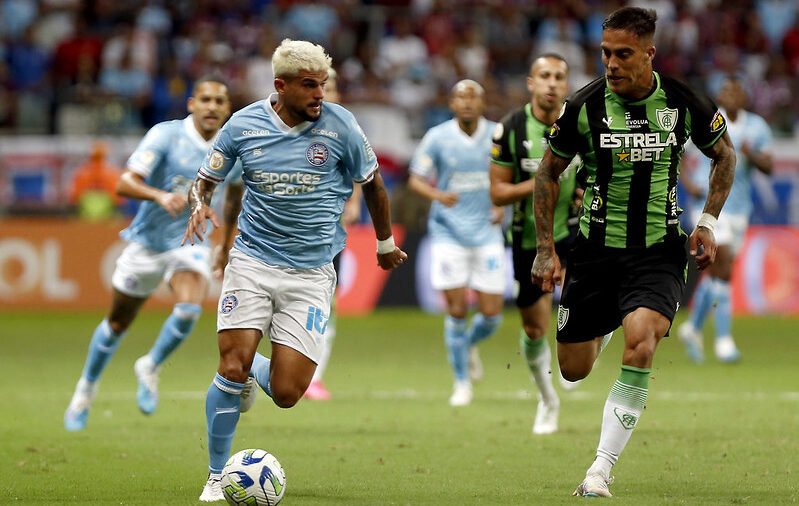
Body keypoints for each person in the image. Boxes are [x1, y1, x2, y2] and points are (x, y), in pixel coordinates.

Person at [182, 39, 407, 502]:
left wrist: (384, 243)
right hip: (252, 261)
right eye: (309, 85)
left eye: (322, 84)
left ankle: (251, 370)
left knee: (286, 392)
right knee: (230, 363)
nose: (320, 94)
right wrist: (198, 204)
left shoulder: (342, 126)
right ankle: (216, 476)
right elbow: (205, 180)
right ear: (280, 86)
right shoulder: (244, 124)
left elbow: (373, 185)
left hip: (310, 273)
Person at [531, 7, 736, 497]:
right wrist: (545, 249)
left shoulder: (684, 101)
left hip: (658, 252)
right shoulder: (583, 106)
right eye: (605, 53)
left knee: (642, 341)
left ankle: (599, 470)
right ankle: (605, 325)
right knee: (573, 370)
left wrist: (707, 221)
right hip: (594, 254)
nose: (611, 63)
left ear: (649, 54)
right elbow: (547, 173)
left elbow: (724, 154)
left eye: (623, 54)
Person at [64, 76, 236, 431]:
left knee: (189, 307)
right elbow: (124, 182)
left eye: (219, 101)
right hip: (146, 243)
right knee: (117, 323)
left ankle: (150, 365)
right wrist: (160, 196)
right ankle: (85, 389)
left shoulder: (231, 146)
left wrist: (226, 244)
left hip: (190, 242)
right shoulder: (166, 135)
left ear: (227, 109)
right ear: (191, 104)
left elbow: (234, 195)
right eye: (205, 99)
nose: (212, 107)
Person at [489, 54, 581, 433]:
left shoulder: (581, 122)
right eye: (544, 75)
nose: (552, 83)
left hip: (576, 233)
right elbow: (497, 193)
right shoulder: (510, 128)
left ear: (566, 84)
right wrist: (545, 178)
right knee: (534, 330)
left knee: (594, 312)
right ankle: (547, 399)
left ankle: (579, 359)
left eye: (559, 76)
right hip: (528, 239)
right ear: (531, 82)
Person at [408, 79, 505, 407]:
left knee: (492, 315)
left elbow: (514, 175)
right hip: (448, 233)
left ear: (482, 102)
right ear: (451, 103)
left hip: (487, 233)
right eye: (460, 97)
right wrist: (438, 195)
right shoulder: (438, 137)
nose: (466, 102)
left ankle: (468, 344)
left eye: (472, 97)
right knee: (457, 310)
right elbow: (415, 179)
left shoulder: (497, 134)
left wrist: (501, 205)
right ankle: (461, 382)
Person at [678, 76, 773, 364]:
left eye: (735, 91)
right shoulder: (707, 119)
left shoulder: (756, 126)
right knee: (724, 268)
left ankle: (692, 328)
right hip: (709, 205)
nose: (729, 96)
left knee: (718, 274)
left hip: (739, 208)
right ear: (719, 95)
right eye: (725, 91)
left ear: (744, 96)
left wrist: (750, 154)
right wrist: (688, 184)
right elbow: (679, 153)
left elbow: (769, 165)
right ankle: (723, 341)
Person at [305, 68, 363, 401]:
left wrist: (353, 202)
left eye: (333, 87)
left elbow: (360, 169)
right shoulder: (288, 126)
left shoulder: (345, 127)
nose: (327, 93)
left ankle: (315, 377)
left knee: (327, 302)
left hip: (328, 233)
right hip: (286, 232)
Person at [69, 141, 123, 221]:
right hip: (107, 217)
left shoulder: (82, 171)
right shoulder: (111, 172)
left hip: (85, 217)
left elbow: (74, 197)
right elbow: (118, 199)